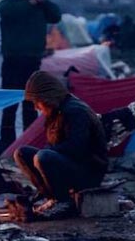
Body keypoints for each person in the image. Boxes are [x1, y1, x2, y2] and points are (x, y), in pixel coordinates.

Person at [13, 70, 107, 219]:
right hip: (71, 164)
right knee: (21, 153)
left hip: (88, 171)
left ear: (47, 97)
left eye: (37, 102)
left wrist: (49, 152)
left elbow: (77, 149)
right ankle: (50, 196)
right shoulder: (56, 111)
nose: (36, 107)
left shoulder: (75, 112)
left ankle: (63, 202)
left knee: (43, 157)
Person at [0, 0, 60, 152]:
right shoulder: (11, 6)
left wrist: (43, 3)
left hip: (26, 61)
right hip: (15, 61)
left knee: (29, 104)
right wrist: (31, 4)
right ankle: (8, 142)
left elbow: (56, 15)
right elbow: (4, 9)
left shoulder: (38, 6)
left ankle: (25, 142)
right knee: (11, 102)